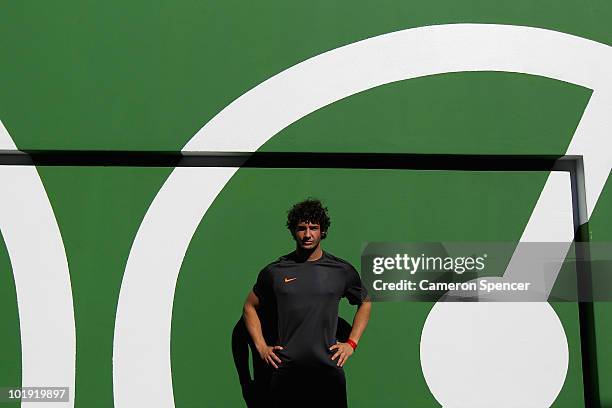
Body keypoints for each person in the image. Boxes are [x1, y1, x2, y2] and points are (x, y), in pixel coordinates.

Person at [242, 198, 372, 408]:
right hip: (286, 371)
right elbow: (249, 307)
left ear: (323, 231)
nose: (308, 234)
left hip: (327, 370)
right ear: (294, 231)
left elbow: (365, 302)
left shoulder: (341, 271)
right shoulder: (275, 271)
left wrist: (351, 344)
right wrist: (261, 347)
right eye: (302, 228)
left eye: (314, 228)